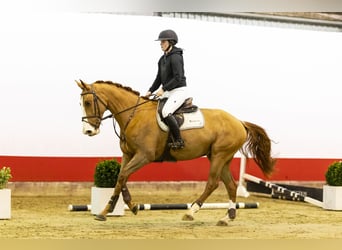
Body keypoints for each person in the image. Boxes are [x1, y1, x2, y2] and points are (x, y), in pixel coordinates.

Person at [145, 29, 188, 150]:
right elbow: (158, 78)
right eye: (160, 42)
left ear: (171, 42)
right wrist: (150, 91)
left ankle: (179, 140)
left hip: (179, 91)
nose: (161, 44)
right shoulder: (162, 59)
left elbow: (178, 77)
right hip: (168, 91)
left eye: (163, 42)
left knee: (165, 112)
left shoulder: (176, 57)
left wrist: (163, 89)